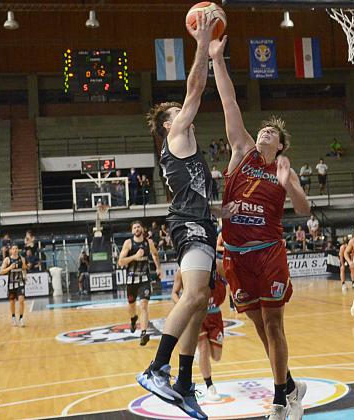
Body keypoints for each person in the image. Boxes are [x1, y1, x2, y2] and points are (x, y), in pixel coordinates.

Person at [211, 30, 311, 420]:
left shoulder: (284, 170)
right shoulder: (242, 151)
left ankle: (281, 400)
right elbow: (229, 101)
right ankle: (289, 385)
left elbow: (304, 210)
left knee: (274, 322)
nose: (266, 132)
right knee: (257, 324)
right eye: (264, 129)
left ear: (281, 145)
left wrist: (290, 187)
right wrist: (217, 59)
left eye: (273, 133)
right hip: (236, 255)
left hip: (268, 252)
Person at [136, 13, 222, 420]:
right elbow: (196, 87)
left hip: (199, 219)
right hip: (188, 221)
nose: (186, 112)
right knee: (192, 297)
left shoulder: (187, 147)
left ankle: (185, 384)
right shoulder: (175, 132)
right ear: (169, 123)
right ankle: (157, 367)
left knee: (201, 300)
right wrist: (203, 44)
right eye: (179, 111)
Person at [171, 263, 227, 402]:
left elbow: (232, 280)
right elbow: (174, 293)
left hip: (215, 316)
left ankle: (200, 355)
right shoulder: (183, 270)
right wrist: (184, 307)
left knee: (216, 356)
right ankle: (210, 386)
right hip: (196, 315)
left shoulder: (218, 266)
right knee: (203, 348)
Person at [118, 221, 163, 346]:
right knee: (132, 306)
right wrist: (135, 257)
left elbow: (154, 254)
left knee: (143, 306)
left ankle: (143, 333)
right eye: (134, 227)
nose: (137, 229)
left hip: (144, 279)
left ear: (142, 229)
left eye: (138, 226)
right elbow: (120, 262)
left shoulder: (148, 242)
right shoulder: (128, 243)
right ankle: (133, 319)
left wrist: (158, 267)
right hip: (131, 280)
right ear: (132, 231)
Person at [0, 245, 27, 327]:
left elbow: (24, 268)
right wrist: (10, 268)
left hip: (20, 283)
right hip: (11, 284)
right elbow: (1, 272)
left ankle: (21, 318)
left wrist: (25, 275)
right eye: (13, 249)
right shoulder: (7, 259)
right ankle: (13, 318)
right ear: (11, 250)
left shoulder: (21, 259)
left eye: (16, 248)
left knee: (21, 300)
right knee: (12, 302)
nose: (15, 250)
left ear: (18, 250)